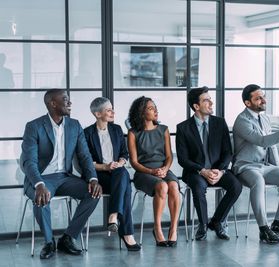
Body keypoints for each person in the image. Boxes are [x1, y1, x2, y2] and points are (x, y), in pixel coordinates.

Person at [20, 89, 102, 259]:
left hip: (65, 177)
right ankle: (49, 243)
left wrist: (93, 178)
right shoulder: (34, 126)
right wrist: (39, 184)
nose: (70, 102)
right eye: (65, 99)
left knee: (93, 193)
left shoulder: (74, 125)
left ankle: (68, 238)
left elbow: (85, 156)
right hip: (41, 179)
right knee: (41, 196)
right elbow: (29, 161)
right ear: (53, 103)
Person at [232, 84, 279, 244]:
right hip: (246, 166)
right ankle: (263, 229)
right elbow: (262, 141)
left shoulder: (265, 118)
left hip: (264, 166)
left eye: (263, 96)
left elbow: (272, 146)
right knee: (258, 181)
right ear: (247, 103)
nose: (263, 100)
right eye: (258, 98)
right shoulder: (241, 121)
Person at [176, 87, 242, 241]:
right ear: (196, 106)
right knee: (198, 187)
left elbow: (228, 152)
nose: (211, 102)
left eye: (210, 98)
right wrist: (202, 171)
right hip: (195, 172)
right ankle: (203, 225)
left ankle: (217, 221)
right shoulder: (183, 128)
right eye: (206, 100)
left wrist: (219, 171)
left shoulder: (220, 123)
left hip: (218, 170)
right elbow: (182, 159)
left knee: (236, 186)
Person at [84, 97, 140, 251]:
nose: (113, 112)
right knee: (125, 186)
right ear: (97, 114)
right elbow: (87, 162)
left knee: (122, 174)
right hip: (99, 176)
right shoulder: (87, 133)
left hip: (117, 172)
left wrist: (119, 163)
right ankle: (127, 233)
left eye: (112, 109)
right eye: (108, 110)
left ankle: (114, 216)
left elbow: (124, 154)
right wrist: (106, 166)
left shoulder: (116, 130)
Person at [127, 96, 180, 247]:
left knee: (174, 186)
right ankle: (157, 228)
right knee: (162, 187)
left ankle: (173, 228)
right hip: (144, 172)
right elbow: (134, 162)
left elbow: (169, 156)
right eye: (151, 108)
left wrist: (164, 169)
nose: (155, 110)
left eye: (155, 107)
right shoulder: (133, 133)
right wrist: (151, 171)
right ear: (142, 113)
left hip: (163, 169)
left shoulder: (163, 129)